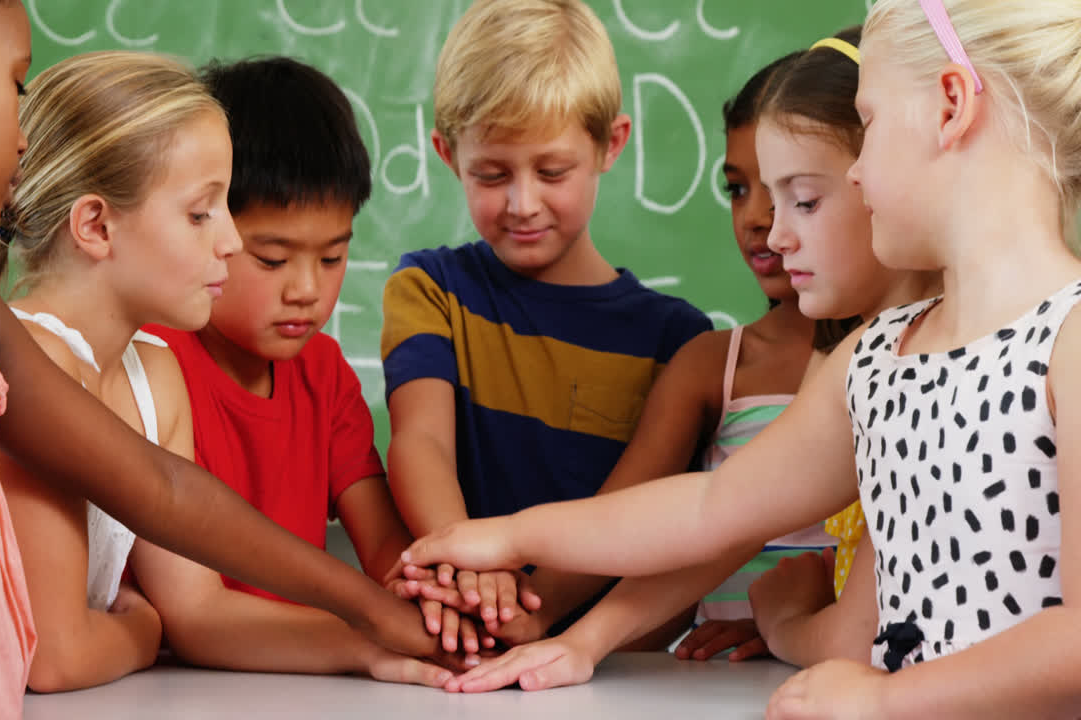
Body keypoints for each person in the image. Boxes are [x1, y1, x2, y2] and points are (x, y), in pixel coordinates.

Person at [401, 2, 1081, 715]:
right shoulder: (877, 357)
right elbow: (712, 507)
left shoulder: (1067, 338)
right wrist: (506, 536)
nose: (854, 174)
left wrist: (886, 701)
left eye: (870, 124)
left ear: (950, 106)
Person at [0, 3, 436, 715]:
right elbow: (60, 647)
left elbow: (163, 491)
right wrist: (146, 625)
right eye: (16, 87)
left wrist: (373, 615)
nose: (22, 140)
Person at [381, 0, 711, 653]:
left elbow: (635, 510)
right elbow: (422, 446)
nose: (522, 203)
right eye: (492, 174)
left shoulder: (679, 344)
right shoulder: (430, 292)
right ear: (449, 157)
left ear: (610, 145)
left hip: (623, 673)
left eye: (552, 171)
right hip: (463, 650)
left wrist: (533, 605)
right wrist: (479, 569)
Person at [132, 56, 453, 686]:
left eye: (333, 256)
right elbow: (193, 619)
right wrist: (367, 639)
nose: (306, 289)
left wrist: (441, 608)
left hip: (306, 684)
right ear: (207, 224)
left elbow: (387, 551)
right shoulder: (150, 362)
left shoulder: (326, 374)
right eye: (273, 259)